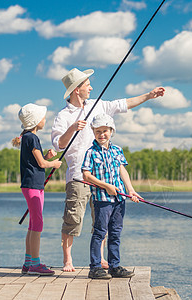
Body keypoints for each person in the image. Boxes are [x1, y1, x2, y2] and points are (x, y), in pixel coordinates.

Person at [51, 68, 164, 272]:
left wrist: (149, 95)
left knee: (101, 221)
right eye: (87, 84)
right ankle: (67, 260)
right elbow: (59, 144)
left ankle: (102, 259)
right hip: (79, 176)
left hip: (105, 178)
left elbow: (124, 104)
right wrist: (72, 128)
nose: (91, 87)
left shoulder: (98, 105)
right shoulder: (63, 115)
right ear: (77, 90)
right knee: (73, 219)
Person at [82, 114, 140, 279]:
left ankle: (114, 266)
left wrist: (130, 190)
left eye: (105, 131)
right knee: (100, 233)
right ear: (93, 132)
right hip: (102, 200)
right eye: (98, 131)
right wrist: (106, 186)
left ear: (111, 131)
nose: (102, 134)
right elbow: (86, 175)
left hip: (119, 200)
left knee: (115, 233)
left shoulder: (117, 150)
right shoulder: (90, 152)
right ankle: (95, 267)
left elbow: (122, 170)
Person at [12, 103, 62, 276]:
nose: (44, 120)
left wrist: (47, 157)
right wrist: (53, 163)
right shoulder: (32, 138)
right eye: (43, 117)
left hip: (34, 185)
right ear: (35, 121)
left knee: (33, 224)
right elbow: (41, 164)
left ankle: (28, 262)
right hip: (33, 186)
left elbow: (37, 162)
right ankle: (35, 264)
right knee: (38, 224)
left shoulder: (27, 137)